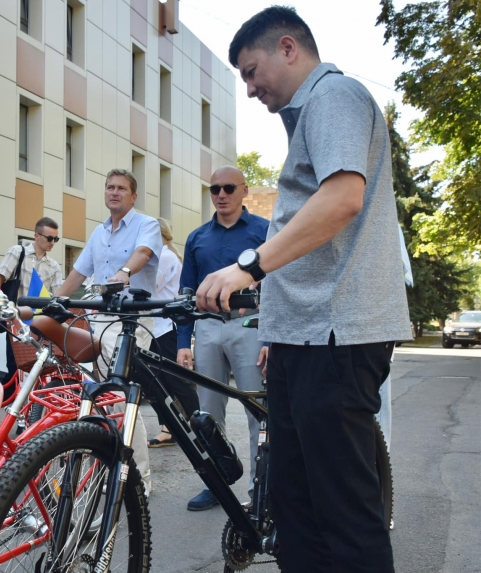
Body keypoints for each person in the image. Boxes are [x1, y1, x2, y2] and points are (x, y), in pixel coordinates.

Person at [198, 7, 412, 571]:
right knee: (296, 505)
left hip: (338, 335)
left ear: (287, 48)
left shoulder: (334, 97)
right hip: (305, 336)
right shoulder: (309, 117)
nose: (249, 89)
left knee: (341, 510)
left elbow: (342, 199)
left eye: (251, 71)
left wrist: (248, 267)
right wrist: (278, 328)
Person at [55, 168, 162, 496]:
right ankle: (107, 467)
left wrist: (124, 272)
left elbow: (142, 254)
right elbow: (77, 274)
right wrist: (50, 304)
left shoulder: (147, 225)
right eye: (109, 187)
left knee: (117, 396)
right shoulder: (98, 233)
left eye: (121, 188)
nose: (114, 192)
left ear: (133, 195)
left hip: (131, 321)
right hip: (98, 321)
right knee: (100, 398)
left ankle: (137, 479)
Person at [177, 166, 270, 511]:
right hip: (208, 326)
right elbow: (185, 292)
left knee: (257, 410)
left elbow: (279, 285)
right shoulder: (198, 237)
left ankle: (261, 492)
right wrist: (183, 342)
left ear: (244, 190)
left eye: (229, 187)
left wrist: (271, 339)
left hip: (252, 326)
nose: (221, 194)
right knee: (208, 413)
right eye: (214, 188)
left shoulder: (265, 231)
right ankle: (216, 486)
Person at [0, 217, 63, 384]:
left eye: (56, 239)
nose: (53, 242)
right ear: (36, 236)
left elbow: (57, 297)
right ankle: (10, 404)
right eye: (49, 238)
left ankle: (32, 406)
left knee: (40, 366)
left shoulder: (54, 266)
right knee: (15, 367)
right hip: (16, 320)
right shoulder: (18, 252)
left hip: (40, 323)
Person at [146, 218, 189, 448]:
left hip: (164, 328)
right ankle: (168, 428)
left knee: (175, 381)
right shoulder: (162, 255)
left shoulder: (164, 256)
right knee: (157, 381)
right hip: (155, 328)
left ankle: (195, 426)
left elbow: (149, 288)